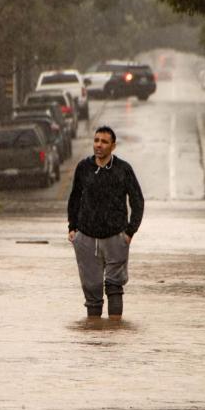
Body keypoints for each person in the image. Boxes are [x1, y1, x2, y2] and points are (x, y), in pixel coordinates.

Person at [67, 126, 144, 320]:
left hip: (116, 237)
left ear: (113, 146)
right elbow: (74, 198)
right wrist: (72, 228)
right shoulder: (84, 167)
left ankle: (114, 336)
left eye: (104, 142)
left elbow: (137, 201)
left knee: (114, 286)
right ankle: (95, 339)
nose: (99, 145)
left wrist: (129, 232)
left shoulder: (123, 169)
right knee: (92, 290)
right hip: (86, 236)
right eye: (96, 140)